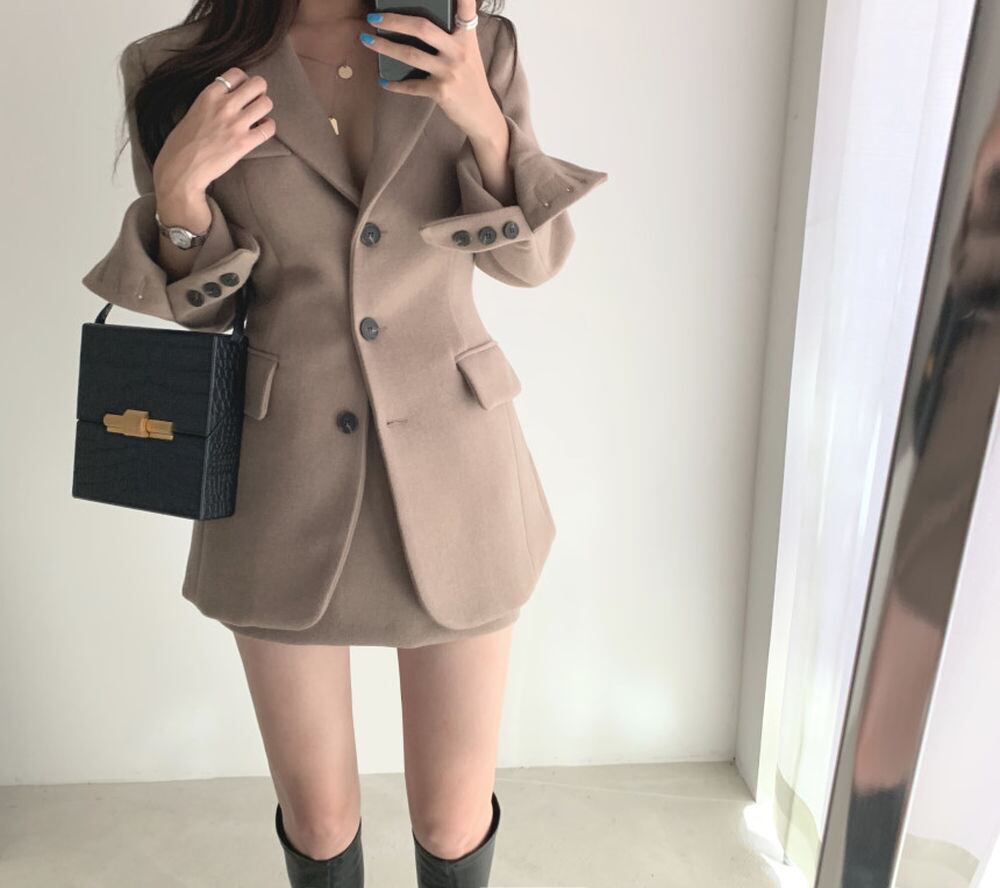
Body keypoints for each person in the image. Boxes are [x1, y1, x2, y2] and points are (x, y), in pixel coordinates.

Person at [81, 0, 607, 885]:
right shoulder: (175, 66)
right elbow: (207, 314)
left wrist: (483, 120)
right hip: (280, 478)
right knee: (319, 822)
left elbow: (531, 261)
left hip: (457, 469)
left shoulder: (472, 43)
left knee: (452, 820)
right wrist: (178, 195)